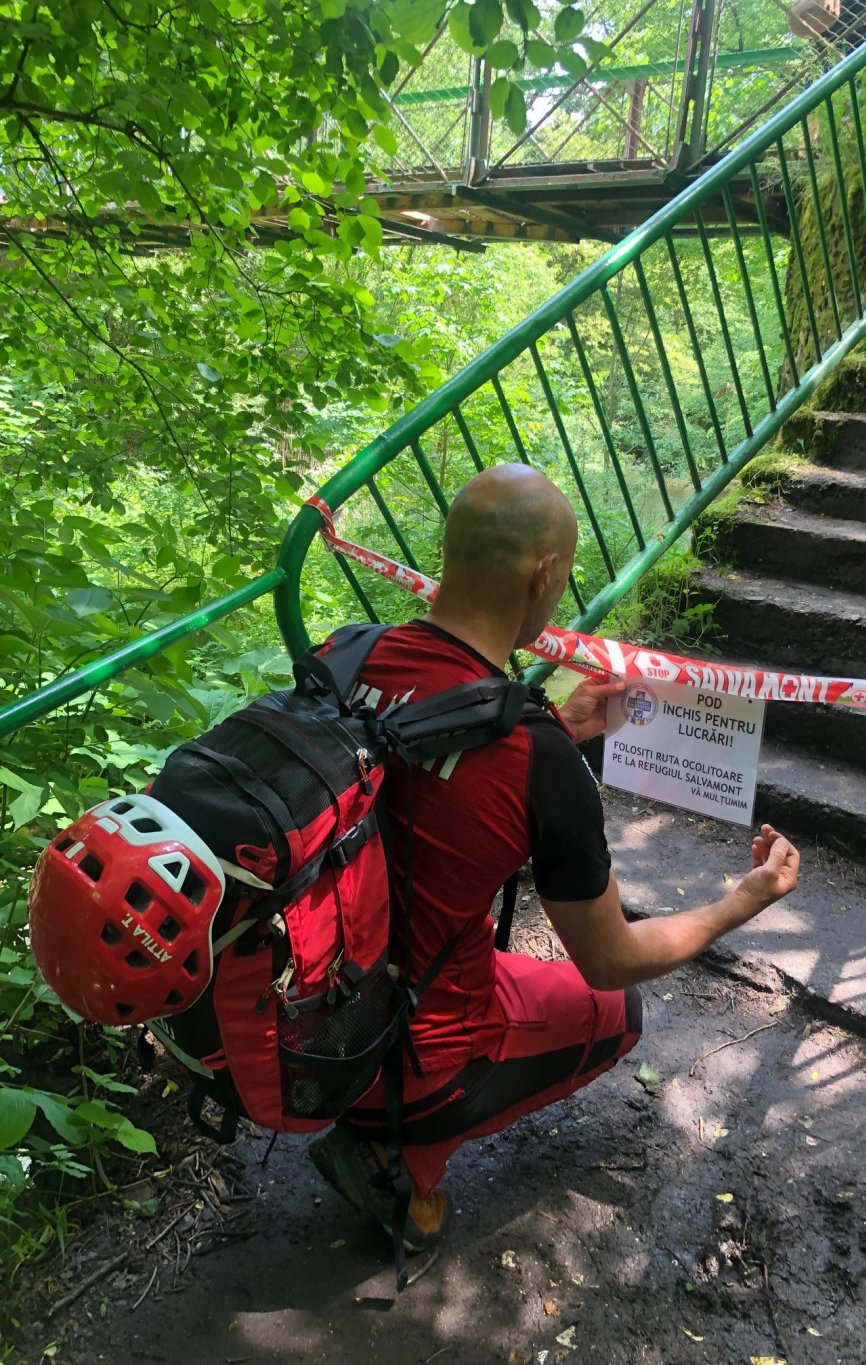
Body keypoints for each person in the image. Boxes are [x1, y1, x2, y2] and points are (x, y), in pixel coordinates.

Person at [309, 463, 800, 1262]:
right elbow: (612, 960)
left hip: (305, 1006)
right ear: (544, 574)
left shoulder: (343, 655)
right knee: (618, 1011)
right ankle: (398, 1164)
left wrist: (559, 731)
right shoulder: (532, 759)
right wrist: (740, 901)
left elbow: (410, 768)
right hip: (414, 1044)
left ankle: (366, 1110)